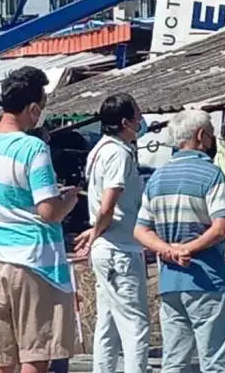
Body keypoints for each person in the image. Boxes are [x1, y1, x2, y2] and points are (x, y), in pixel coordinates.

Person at [0, 67, 79, 373]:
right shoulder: (32, 148)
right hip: (33, 262)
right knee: (36, 355)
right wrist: (69, 198)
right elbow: (48, 211)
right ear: (33, 108)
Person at [134, 109, 225, 373]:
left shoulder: (157, 178)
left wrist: (168, 250)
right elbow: (221, 227)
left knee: (175, 361)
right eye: (212, 136)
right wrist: (187, 249)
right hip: (208, 279)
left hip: (170, 281)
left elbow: (141, 230)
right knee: (217, 361)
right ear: (202, 136)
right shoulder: (211, 175)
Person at [73, 94, 149, 373]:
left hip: (107, 247)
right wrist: (96, 230)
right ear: (126, 122)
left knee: (108, 325)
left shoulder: (99, 150)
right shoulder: (119, 152)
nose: (141, 122)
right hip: (120, 248)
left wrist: (95, 231)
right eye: (138, 117)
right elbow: (109, 202)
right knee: (135, 326)